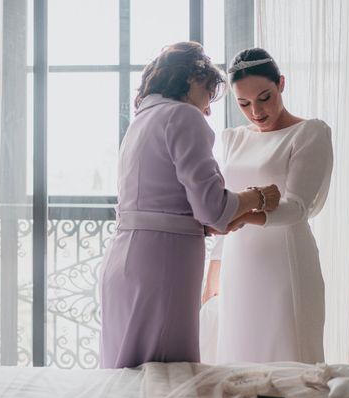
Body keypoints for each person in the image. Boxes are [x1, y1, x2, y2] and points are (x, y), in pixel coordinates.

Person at [100, 42, 280, 369]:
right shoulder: (183, 116)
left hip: (123, 257)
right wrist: (258, 196)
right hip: (163, 261)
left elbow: (176, 204)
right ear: (191, 80)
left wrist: (221, 218)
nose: (208, 109)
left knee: (125, 373)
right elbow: (213, 208)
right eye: (208, 95)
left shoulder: (141, 121)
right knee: (165, 376)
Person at [202, 48, 333, 364]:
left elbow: (298, 206)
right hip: (238, 263)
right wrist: (212, 277)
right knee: (237, 357)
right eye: (244, 103)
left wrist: (242, 215)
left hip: (285, 262)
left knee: (288, 356)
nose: (256, 111)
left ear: (281, 84)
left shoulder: (309, 132)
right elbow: (225, 204)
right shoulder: (233, 138)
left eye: (264, 97)